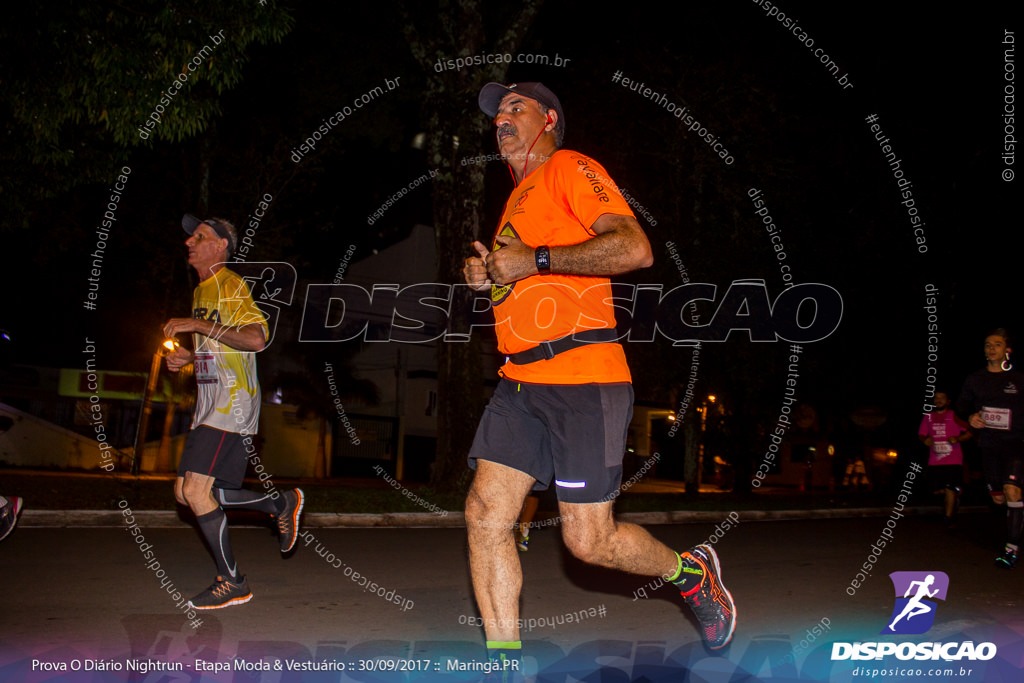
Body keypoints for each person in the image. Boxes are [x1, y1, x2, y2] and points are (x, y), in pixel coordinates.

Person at [462, 82, 736, 668]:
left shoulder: (568, 167)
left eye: (517, 109)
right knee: (486, 515)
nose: (502, 121)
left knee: (589, 543)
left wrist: (530, 259)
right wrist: (492, 277)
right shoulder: (516, 200)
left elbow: (634, 249)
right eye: (497, 114)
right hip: (519, 381)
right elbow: (531, 282)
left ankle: (692, 573)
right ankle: (502, 663)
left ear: (549, 119)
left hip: (583, 375)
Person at [163, 214, 304, 608]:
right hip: (210, 404)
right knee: (187, 493)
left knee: (195, 490)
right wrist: (189, 358)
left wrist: (197, 325)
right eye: (190, 236)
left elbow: (256, 339)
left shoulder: (230, 285)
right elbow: (219, 347)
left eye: (200, 236)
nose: (190, 241)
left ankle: (232, 580)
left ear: (221, 245)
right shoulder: (203, 290)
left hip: (231, 403)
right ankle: (279, 504)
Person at [956, 328, 1024, 568]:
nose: (991, 348)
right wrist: (971, 416)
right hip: (989, 445)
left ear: (1008, 349)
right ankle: (1014, 519)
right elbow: (961, 407)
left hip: (1017, 444)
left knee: (1012, 490)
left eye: (997, 344)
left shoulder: (1019, 379)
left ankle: (1011, 549)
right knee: (998, 497)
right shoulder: (975, 379)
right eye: (987, 344)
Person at [918, 391, 971, 526]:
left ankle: (948, 517)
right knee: (934, 490)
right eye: (936, 398)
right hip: (935, 460)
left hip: (953, 459)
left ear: (948, 401)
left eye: (942, 398)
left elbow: (970, 432)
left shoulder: (954, 416)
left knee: (949, 487)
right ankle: (956, 494)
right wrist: (925, 440)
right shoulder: (928, 417)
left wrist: (958, 438)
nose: (938, 400)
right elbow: (921, 434)